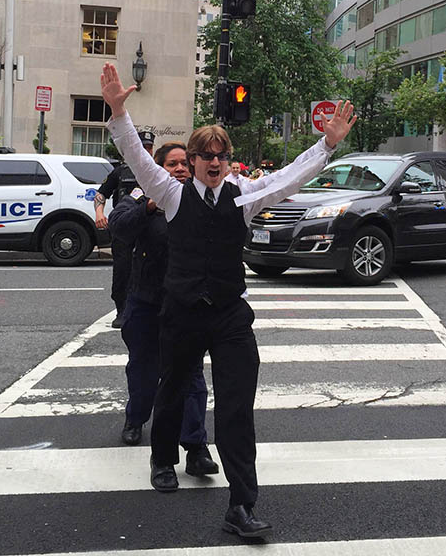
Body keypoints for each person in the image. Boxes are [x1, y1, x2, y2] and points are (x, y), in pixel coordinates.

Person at [100, 61, 356, 539]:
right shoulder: (171, 194)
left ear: (228, 160)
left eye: (221, 154)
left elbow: (290, 179)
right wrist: (118, 112)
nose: (214, 161)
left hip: (230, 315)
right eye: (205, 155)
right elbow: (137, 157)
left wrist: (327, 145)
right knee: (173, 387)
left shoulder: (245, 194)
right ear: (193, 161)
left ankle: (242, 504)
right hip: (181, 312)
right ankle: (163, 458)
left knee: (237, 408)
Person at [107, 141, 219, 480]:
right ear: (158, 170)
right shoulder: (142, 197)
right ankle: (136, 416)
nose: (181, 169)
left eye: (185, 163)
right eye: (172, 164)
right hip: (146, 300)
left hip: (187, 305)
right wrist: (150, 207)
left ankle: (196, 447)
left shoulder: (201, 199)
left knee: (192, 377)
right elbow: (119, 227)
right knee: (143, 370)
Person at [95, 129, 156, 329]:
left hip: (148, 228)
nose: (146, 151)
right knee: (122, 270)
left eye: (149, 147)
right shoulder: (121, 171)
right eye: (142, 147)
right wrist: (99, 214)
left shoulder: (157, 171)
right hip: (124, 228)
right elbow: (101, 194)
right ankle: (122, 310)